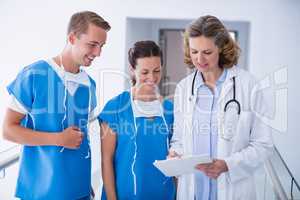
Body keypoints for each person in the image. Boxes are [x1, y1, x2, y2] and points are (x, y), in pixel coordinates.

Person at [2, 11, 110, 200]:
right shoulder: (34, 75)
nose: (98, 53)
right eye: (93, 45)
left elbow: (82, 139)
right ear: (72, 38)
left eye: (101, 46)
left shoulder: (89, 85)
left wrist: (83, 181)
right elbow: (8, 130)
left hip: (80, 191)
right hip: (41, 192)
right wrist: (58, 139)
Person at [168, 15, 273, 200]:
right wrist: (176, 155)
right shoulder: (184, 88)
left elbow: (262, 145)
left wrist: (228, 164)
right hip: (194, 190)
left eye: (207, 52)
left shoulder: (248, 85)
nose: (199, 59)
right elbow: (179, 138)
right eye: (194, 51)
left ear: (222, 48)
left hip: (231, 190)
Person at [99, 40, 175, 200]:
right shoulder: (115, 108)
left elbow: (175, 159)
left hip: (164, 194)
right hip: (125, 194)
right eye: (145, 72)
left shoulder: (170, 110)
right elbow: (106, 160)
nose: (152, 78)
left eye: (157, 71)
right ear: (132, 70)